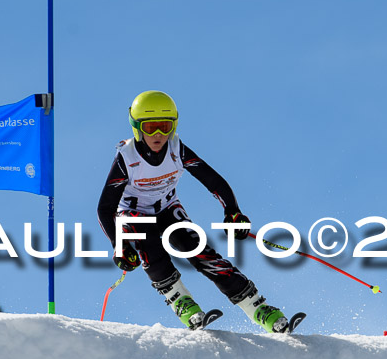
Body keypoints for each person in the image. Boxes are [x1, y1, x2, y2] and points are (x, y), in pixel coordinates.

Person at [97, 90, 292, 333]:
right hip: (134, 213)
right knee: (150, 247)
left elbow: (213, 180)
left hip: (168, 209)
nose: (158, 135)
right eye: (150, 128)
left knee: (198, 251)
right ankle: (182, 303)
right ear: (137, 128)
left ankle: (257, 308)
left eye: (165, 126)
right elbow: (105, 208)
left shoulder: (176, 149)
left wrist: (232, 211)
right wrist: (119, 245)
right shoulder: (127, 158)